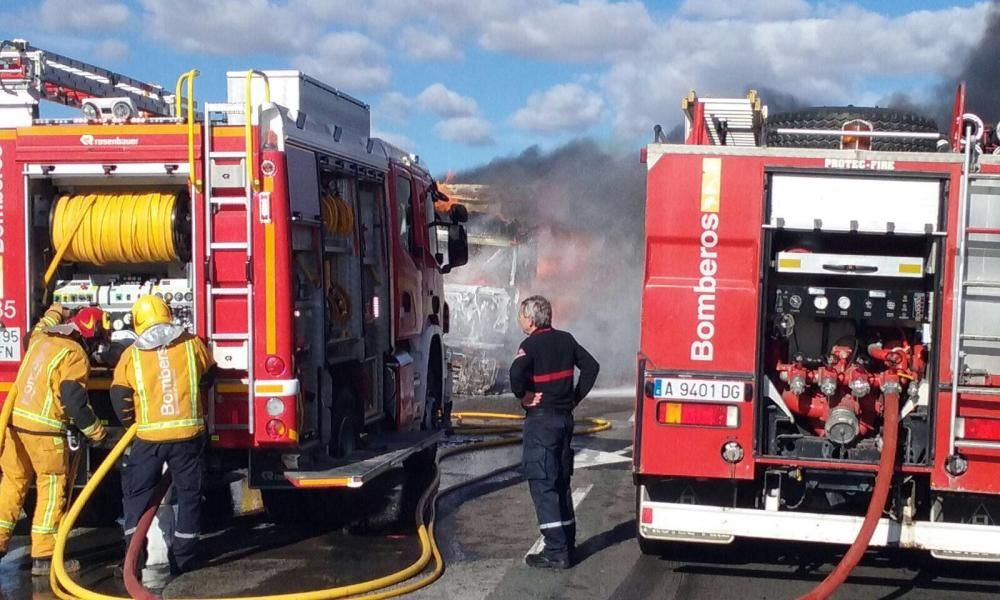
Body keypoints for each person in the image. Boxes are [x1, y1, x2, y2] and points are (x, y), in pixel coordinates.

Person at [110, 295, 215, 576]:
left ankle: (135, 557)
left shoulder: (131, 354)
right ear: (168, 314)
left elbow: (119, 395)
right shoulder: (192, 343)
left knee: (137, 496)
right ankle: (183, 557)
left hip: (149, 441)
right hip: (188, 436)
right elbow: (209, 376)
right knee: (189, 495)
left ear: (137, 321)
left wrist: (135, 423)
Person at [0, 304, 108, 576]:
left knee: (13, 484)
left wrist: (57, 309)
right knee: (51, 488)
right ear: (90, 335)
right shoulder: (75, 354)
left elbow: (32, 330)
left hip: (15, 424)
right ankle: (44, 557)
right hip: (44, 431)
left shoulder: (41, 339)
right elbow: (73, 397)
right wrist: (96, 431)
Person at [509, 295, 599, 569]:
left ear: (532, 319)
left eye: (522, 316)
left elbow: (515, 374)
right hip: (564, 419)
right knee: (560, 481)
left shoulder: (529, 345)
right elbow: (591, 367)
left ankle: (556, 550)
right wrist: (574, 398)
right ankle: (567, 542)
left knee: (543, 483)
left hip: (542, 422)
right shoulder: (567, 340)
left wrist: (523, 394)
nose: (520, 321)